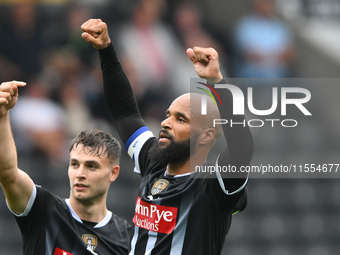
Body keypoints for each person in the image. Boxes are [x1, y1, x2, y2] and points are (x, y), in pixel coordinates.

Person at [81, 19, 253, 255]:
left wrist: (216, 82)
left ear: (206, 135)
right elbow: (125, 112)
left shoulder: (213, 186)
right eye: (168, 115)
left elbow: (241, 146)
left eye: (180, 119)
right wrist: (106, 49)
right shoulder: (154, 161)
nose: (165, 123)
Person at [0, 80, 131, 254]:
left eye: (91, 167)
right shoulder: (43, 209)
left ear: (113, 173)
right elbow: (8, 173)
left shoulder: (128, 237)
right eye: (75, 164)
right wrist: (2, 116)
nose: (80, 174)